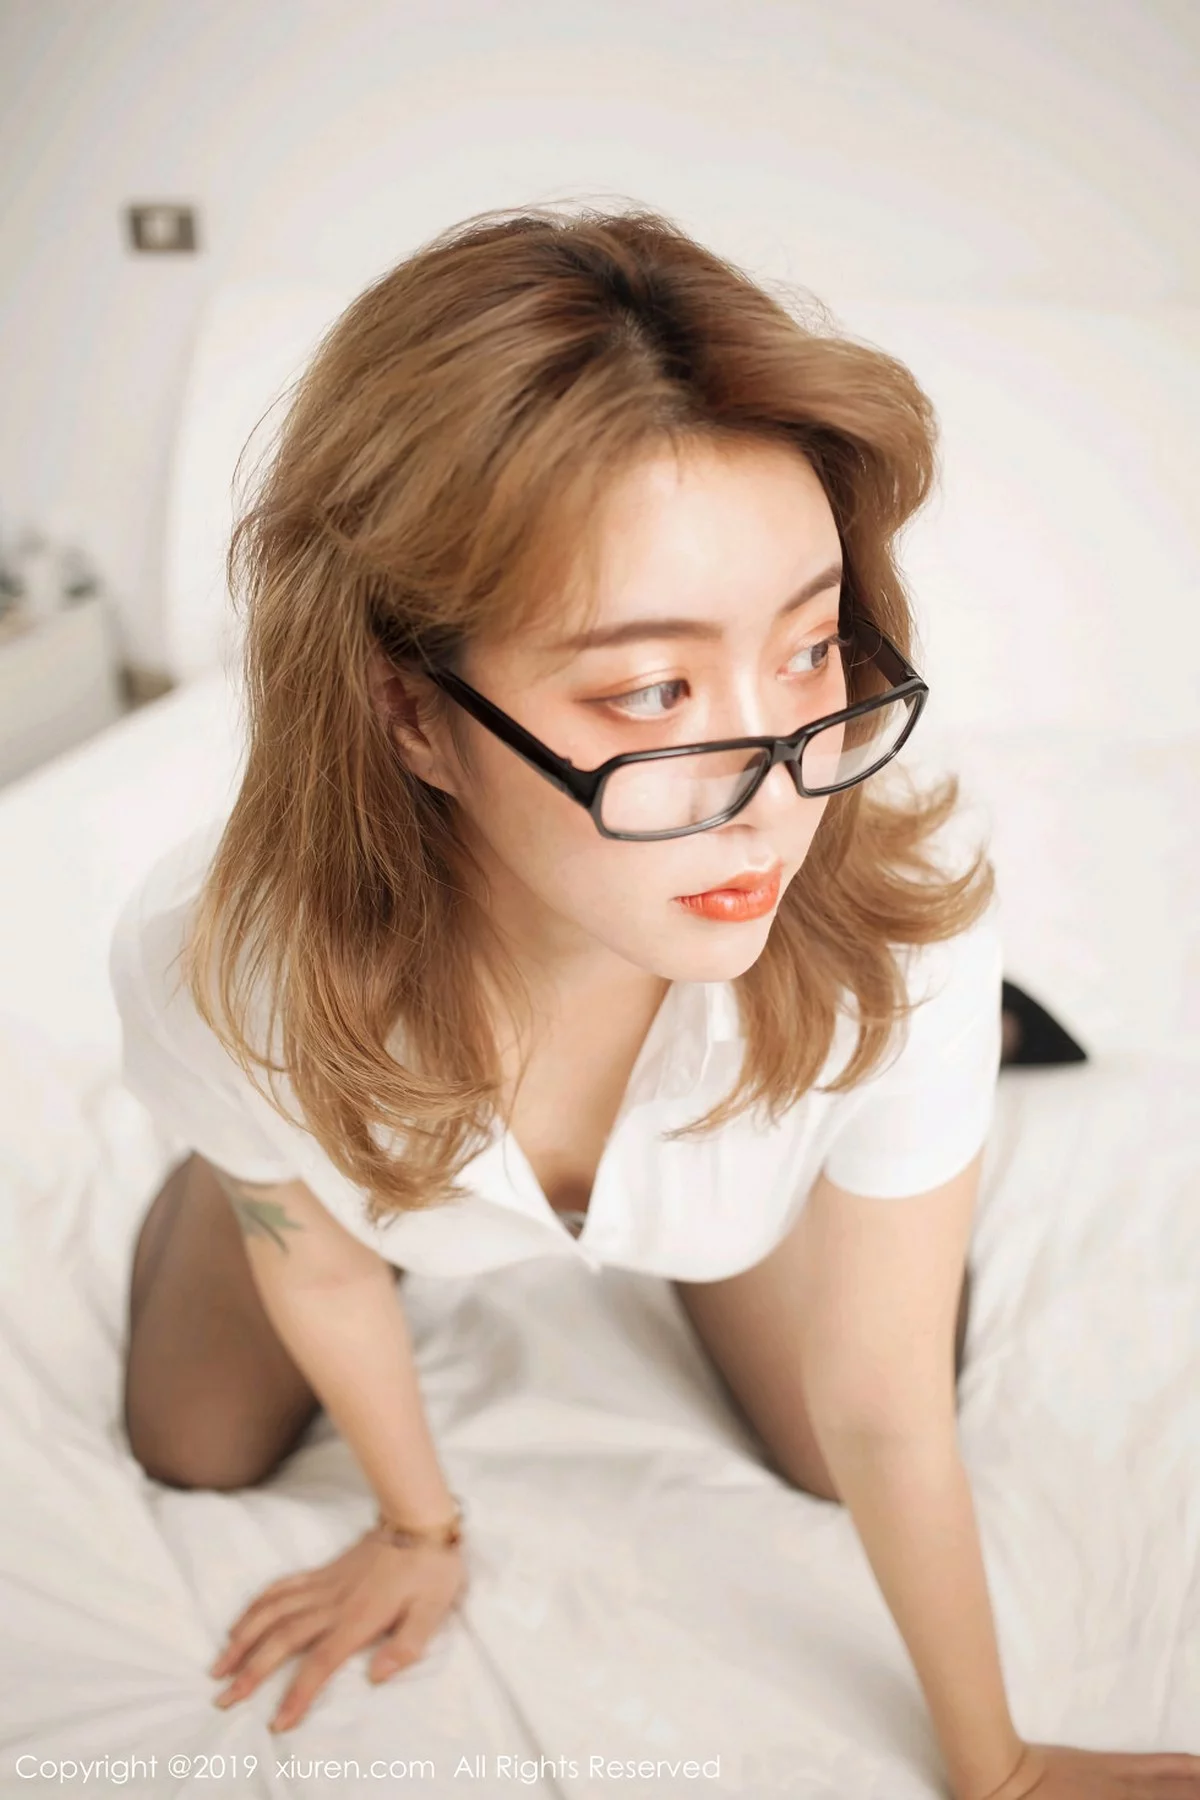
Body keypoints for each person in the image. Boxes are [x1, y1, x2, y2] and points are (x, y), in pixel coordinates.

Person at [113, 204, 1197, 1800]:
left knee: (827, 1447)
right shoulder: (221, 964)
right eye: (649, 691)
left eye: (812, 648)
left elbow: (887, 1411)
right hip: (338, 1110)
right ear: (410, 714)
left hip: (760, 1104)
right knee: (190, 1442)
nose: (777, 792)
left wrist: (1001, 1768)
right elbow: (325, 1276)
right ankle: (256, 1154)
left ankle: (746, 1159)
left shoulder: (900, 958)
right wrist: (419, 1527)